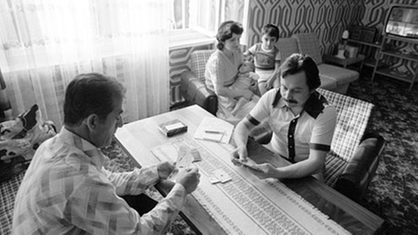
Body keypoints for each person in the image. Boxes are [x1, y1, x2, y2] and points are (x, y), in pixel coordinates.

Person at [12, 73, 200, 234]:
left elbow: (106, 180)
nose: (121, 123)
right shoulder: (81, 181)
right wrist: (181, 190)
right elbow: (139, 232)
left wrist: (155, 172)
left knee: (134, 199)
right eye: (117, 116)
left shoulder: (53, 145)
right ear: (92, 122)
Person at [231, 53, 337, 181]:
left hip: (306, 168)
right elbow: (244, 126)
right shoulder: (271, 97)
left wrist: (277, 173)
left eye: (296, 91)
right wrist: (241, 146)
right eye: (284, 87)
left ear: (312, 89)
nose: (287, 95)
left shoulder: (325, 112)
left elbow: (316, 163)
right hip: (274, 155)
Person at [205, 21, 258, 124]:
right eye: (232, 40)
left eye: (238, 38)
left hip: (236, 84)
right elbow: (219, 90)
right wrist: (242, 92)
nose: (237, 43)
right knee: (246, 114)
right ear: (223, 41)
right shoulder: (217, 61)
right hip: (224, 92)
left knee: (259, 105)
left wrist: (250, 80)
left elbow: (241, 69)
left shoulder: (237, 52)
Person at [244, 24, 281, 95]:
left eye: (272, 40)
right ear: (261, 38)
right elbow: (245, 55)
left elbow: (277, 69)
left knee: (278, 93)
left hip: (273, 76)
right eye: (266, 39)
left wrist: (271, 80)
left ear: (276, 40)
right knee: (264, 95)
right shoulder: (256, 47)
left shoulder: (276, 52)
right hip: (261, 76)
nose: (269, 43)